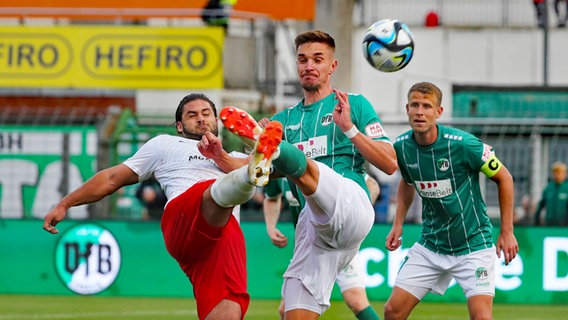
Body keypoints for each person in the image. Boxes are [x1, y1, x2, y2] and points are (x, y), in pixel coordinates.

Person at [42, 93, 283, 320]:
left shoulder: (229, 155)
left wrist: (221, 156)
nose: (200, 118)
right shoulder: (164, 145)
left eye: (206, 113)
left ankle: (255, 167)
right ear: (179, 125)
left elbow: (276, 175)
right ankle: (252, 169)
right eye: (192, 115)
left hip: (222, 237)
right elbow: (112, 178)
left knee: (230, 308)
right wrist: (65, 204)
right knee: (222, 187)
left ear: (216, 119)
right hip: (183, 219)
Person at [220, 29, 397, 320]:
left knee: (305, 165)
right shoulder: (284, 120)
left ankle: (273, 149)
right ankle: (269, 149)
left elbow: (390, 163)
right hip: (312, 230)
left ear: (333, 66)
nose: (309, 66)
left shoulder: (354, 105)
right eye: (302, 59)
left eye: (318, 59)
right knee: (294, 310)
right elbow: (243, 170)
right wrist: (219, 155)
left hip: (350, 205)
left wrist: (350, 129)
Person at [383, 82, 519, 320]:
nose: (420, 111)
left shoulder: (464, 144)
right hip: (431, 245)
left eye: (427, 106)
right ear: (407, 108)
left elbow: (505, 178)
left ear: (439, 112)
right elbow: (407, 181)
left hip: (473, 245)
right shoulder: (401, 147)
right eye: (415, 105)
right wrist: (398, 223)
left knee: (482, 317)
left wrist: (507, 231)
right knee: (393, 312)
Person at [263, 176, 381, 320]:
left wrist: (355, 220)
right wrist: (270, 227)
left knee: (356, 300)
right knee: (285, 310)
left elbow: (372, 184)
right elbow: (272, 198)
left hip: (337, 243)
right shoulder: (282, 169)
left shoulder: (322, 162)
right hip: (306, 248)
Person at [533, 161, 568, 226]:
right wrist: (536, 221)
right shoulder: (548, 188)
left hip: (564, 224)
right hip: (549, 223)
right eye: (555, 172)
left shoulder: (566, 188)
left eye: (560, 172)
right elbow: (541, 205)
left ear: (565, 174)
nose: (558, 175)